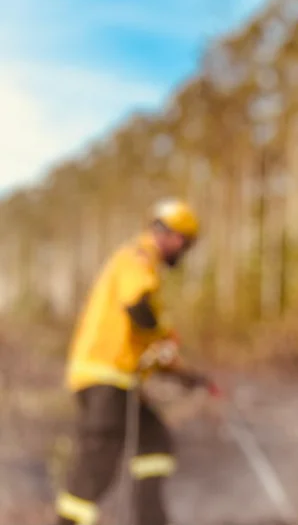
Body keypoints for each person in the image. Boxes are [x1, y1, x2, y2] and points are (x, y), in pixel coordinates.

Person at [56, 198, 215, 525]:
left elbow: (151, 347)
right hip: (103, 377)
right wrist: (162, 336)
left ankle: (150, 519)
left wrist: (191, 377)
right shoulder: (136, 258)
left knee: (155, 440)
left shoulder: (145, 267)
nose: (182, 252)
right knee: (97, 464)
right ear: (173, 236)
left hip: (119, 380)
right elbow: (138, 308)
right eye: (185, 244)